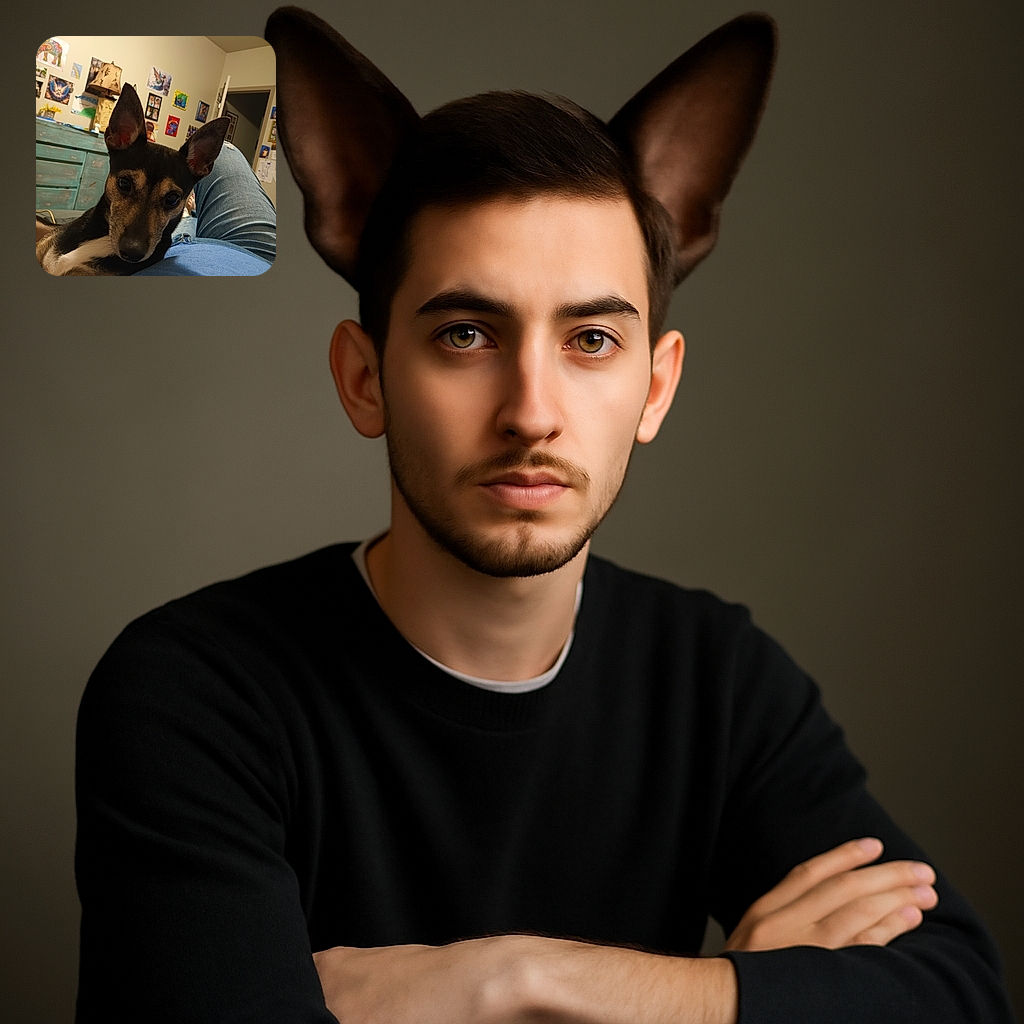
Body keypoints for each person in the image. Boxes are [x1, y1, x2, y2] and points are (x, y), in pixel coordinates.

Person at [74, 8, 1013, 1023]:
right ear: (363, 380)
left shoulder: (716, 681)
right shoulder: (194, 694)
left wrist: (509, 981)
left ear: (655, 389)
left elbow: (954, 992)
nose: (531, 411)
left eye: (592, 340)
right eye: (467, 334)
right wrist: (739, 996)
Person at [133, 139, 277, 276]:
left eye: (171, 199)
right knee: (225, 151)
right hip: (265, 257)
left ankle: (188, 216)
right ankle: (189, 214)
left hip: (188, 250)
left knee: (183, 230)